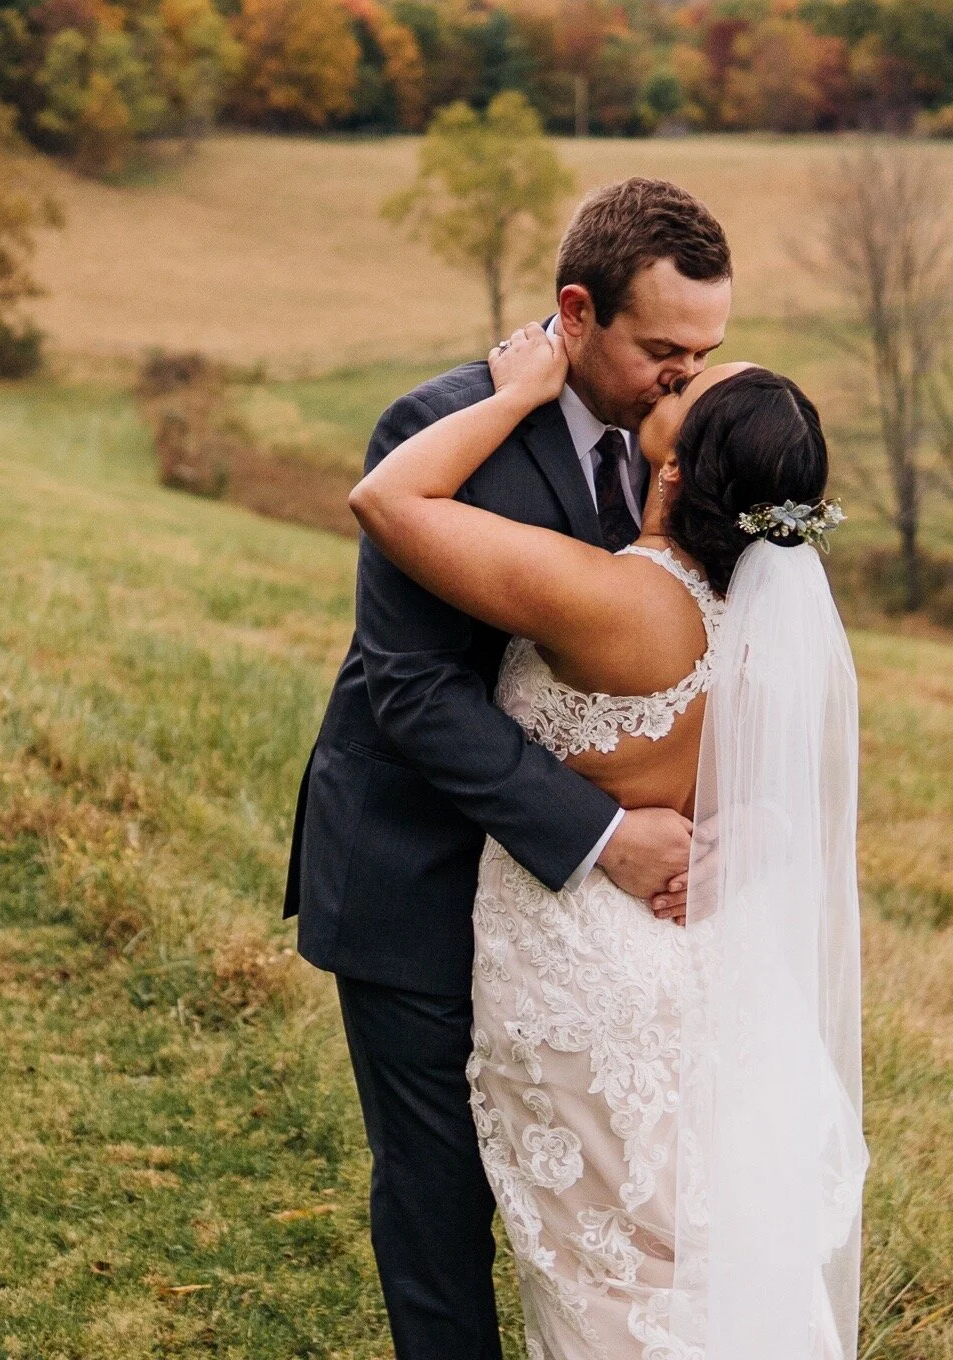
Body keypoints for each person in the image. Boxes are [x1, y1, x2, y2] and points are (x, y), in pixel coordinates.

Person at [345, 322, 869, 1354]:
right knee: (680, 1257)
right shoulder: (762, 622)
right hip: (697, 972)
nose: (669, 378)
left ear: (674, 468)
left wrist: (511, 397)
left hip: (585, 974)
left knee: (603, 1278)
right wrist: (751, 831)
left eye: (688, 384)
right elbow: (785, 790)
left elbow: (389, 502)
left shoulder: (619, 602)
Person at [284, 178, 740, 1357]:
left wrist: (706, 822)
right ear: (576, 313)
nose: (685, 378)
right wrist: (604, 835)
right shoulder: (434, 429)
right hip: (414, 866)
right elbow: (413, 688)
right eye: (662, 350)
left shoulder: (683, 450)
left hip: (572, 922)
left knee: (585, 1201)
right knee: (440, 1202)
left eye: (707, 351)